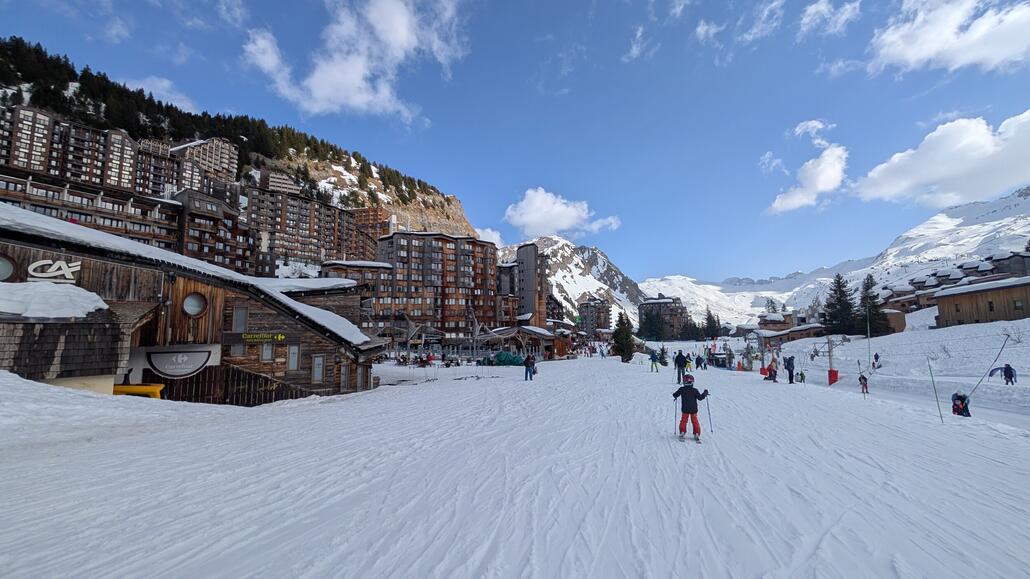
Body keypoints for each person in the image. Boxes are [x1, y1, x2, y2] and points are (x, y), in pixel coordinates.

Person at [673, 375, 710, 442]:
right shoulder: (694, 390)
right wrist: (705, 393)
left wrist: (675, 396)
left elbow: (675, 394)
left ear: (684, 382)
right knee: (695, 421)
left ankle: (682, 432)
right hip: (693, 409)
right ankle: (696, 433)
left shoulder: (682, 389)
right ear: (692, 382)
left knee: (684, 420)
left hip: (685, 409)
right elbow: (700, 398)